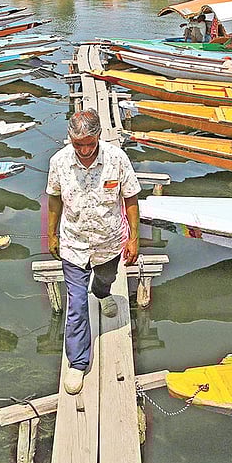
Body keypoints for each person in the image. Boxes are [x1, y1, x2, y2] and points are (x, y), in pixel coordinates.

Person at [46, 109, 142, 395]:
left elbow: (131, 197)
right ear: (70, 140)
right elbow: (53, 199)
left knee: (105, 280)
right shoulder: (59, 163)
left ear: (99, 136)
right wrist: (51, 235)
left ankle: (102, 295)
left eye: (91, 143)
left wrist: (134, 238)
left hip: (109, 240)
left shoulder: (117, 159)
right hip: (74, 243)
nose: (85, 150)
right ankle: (78, 362)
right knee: (76, 306)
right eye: (79, 144)